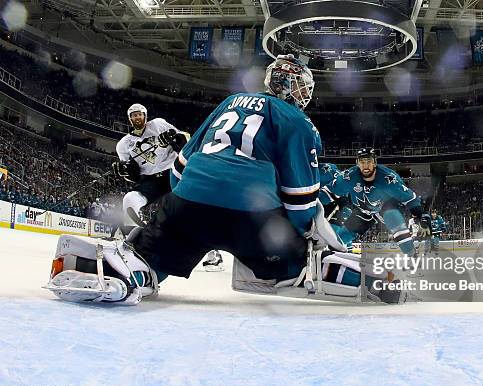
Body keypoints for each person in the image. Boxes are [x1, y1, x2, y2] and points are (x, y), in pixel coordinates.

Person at [45, 54, 355, 305]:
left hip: (189, 203)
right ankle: (335, 272)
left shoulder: (230, 102)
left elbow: (180, 167)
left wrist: (181, 209)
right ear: (299, 89)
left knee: (152, 257)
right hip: (253, 219)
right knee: (300, 260)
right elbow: (299, 199)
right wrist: (303, 234)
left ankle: (123, 271)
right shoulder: (300, 122)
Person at [320, 148, 422, 256]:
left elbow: (410, 198)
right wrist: (313, 204)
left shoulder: (388, 178)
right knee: (342, 236)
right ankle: (330, 258)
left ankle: (412, 255)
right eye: (362, 162)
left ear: (375, 163)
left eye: (369, 161)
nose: (366, 165)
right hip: (363, 210)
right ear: (357, 164)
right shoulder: (349, 176)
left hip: (385, 205)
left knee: (392, 218)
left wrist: (421, 215)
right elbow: (330, 191)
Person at [112, 103, 189, 230]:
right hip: (152, 180)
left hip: (174, 172)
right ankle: (134, 236)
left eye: (139, 114)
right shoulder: (123, 145)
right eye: (134, 115)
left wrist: (174, 138)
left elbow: (185, 136)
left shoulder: (158, 124)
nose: (137, 117)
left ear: (145, 116)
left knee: (189, 204)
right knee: (130, 199)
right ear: (130, 119)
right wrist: (126, 172)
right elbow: (131, 175)